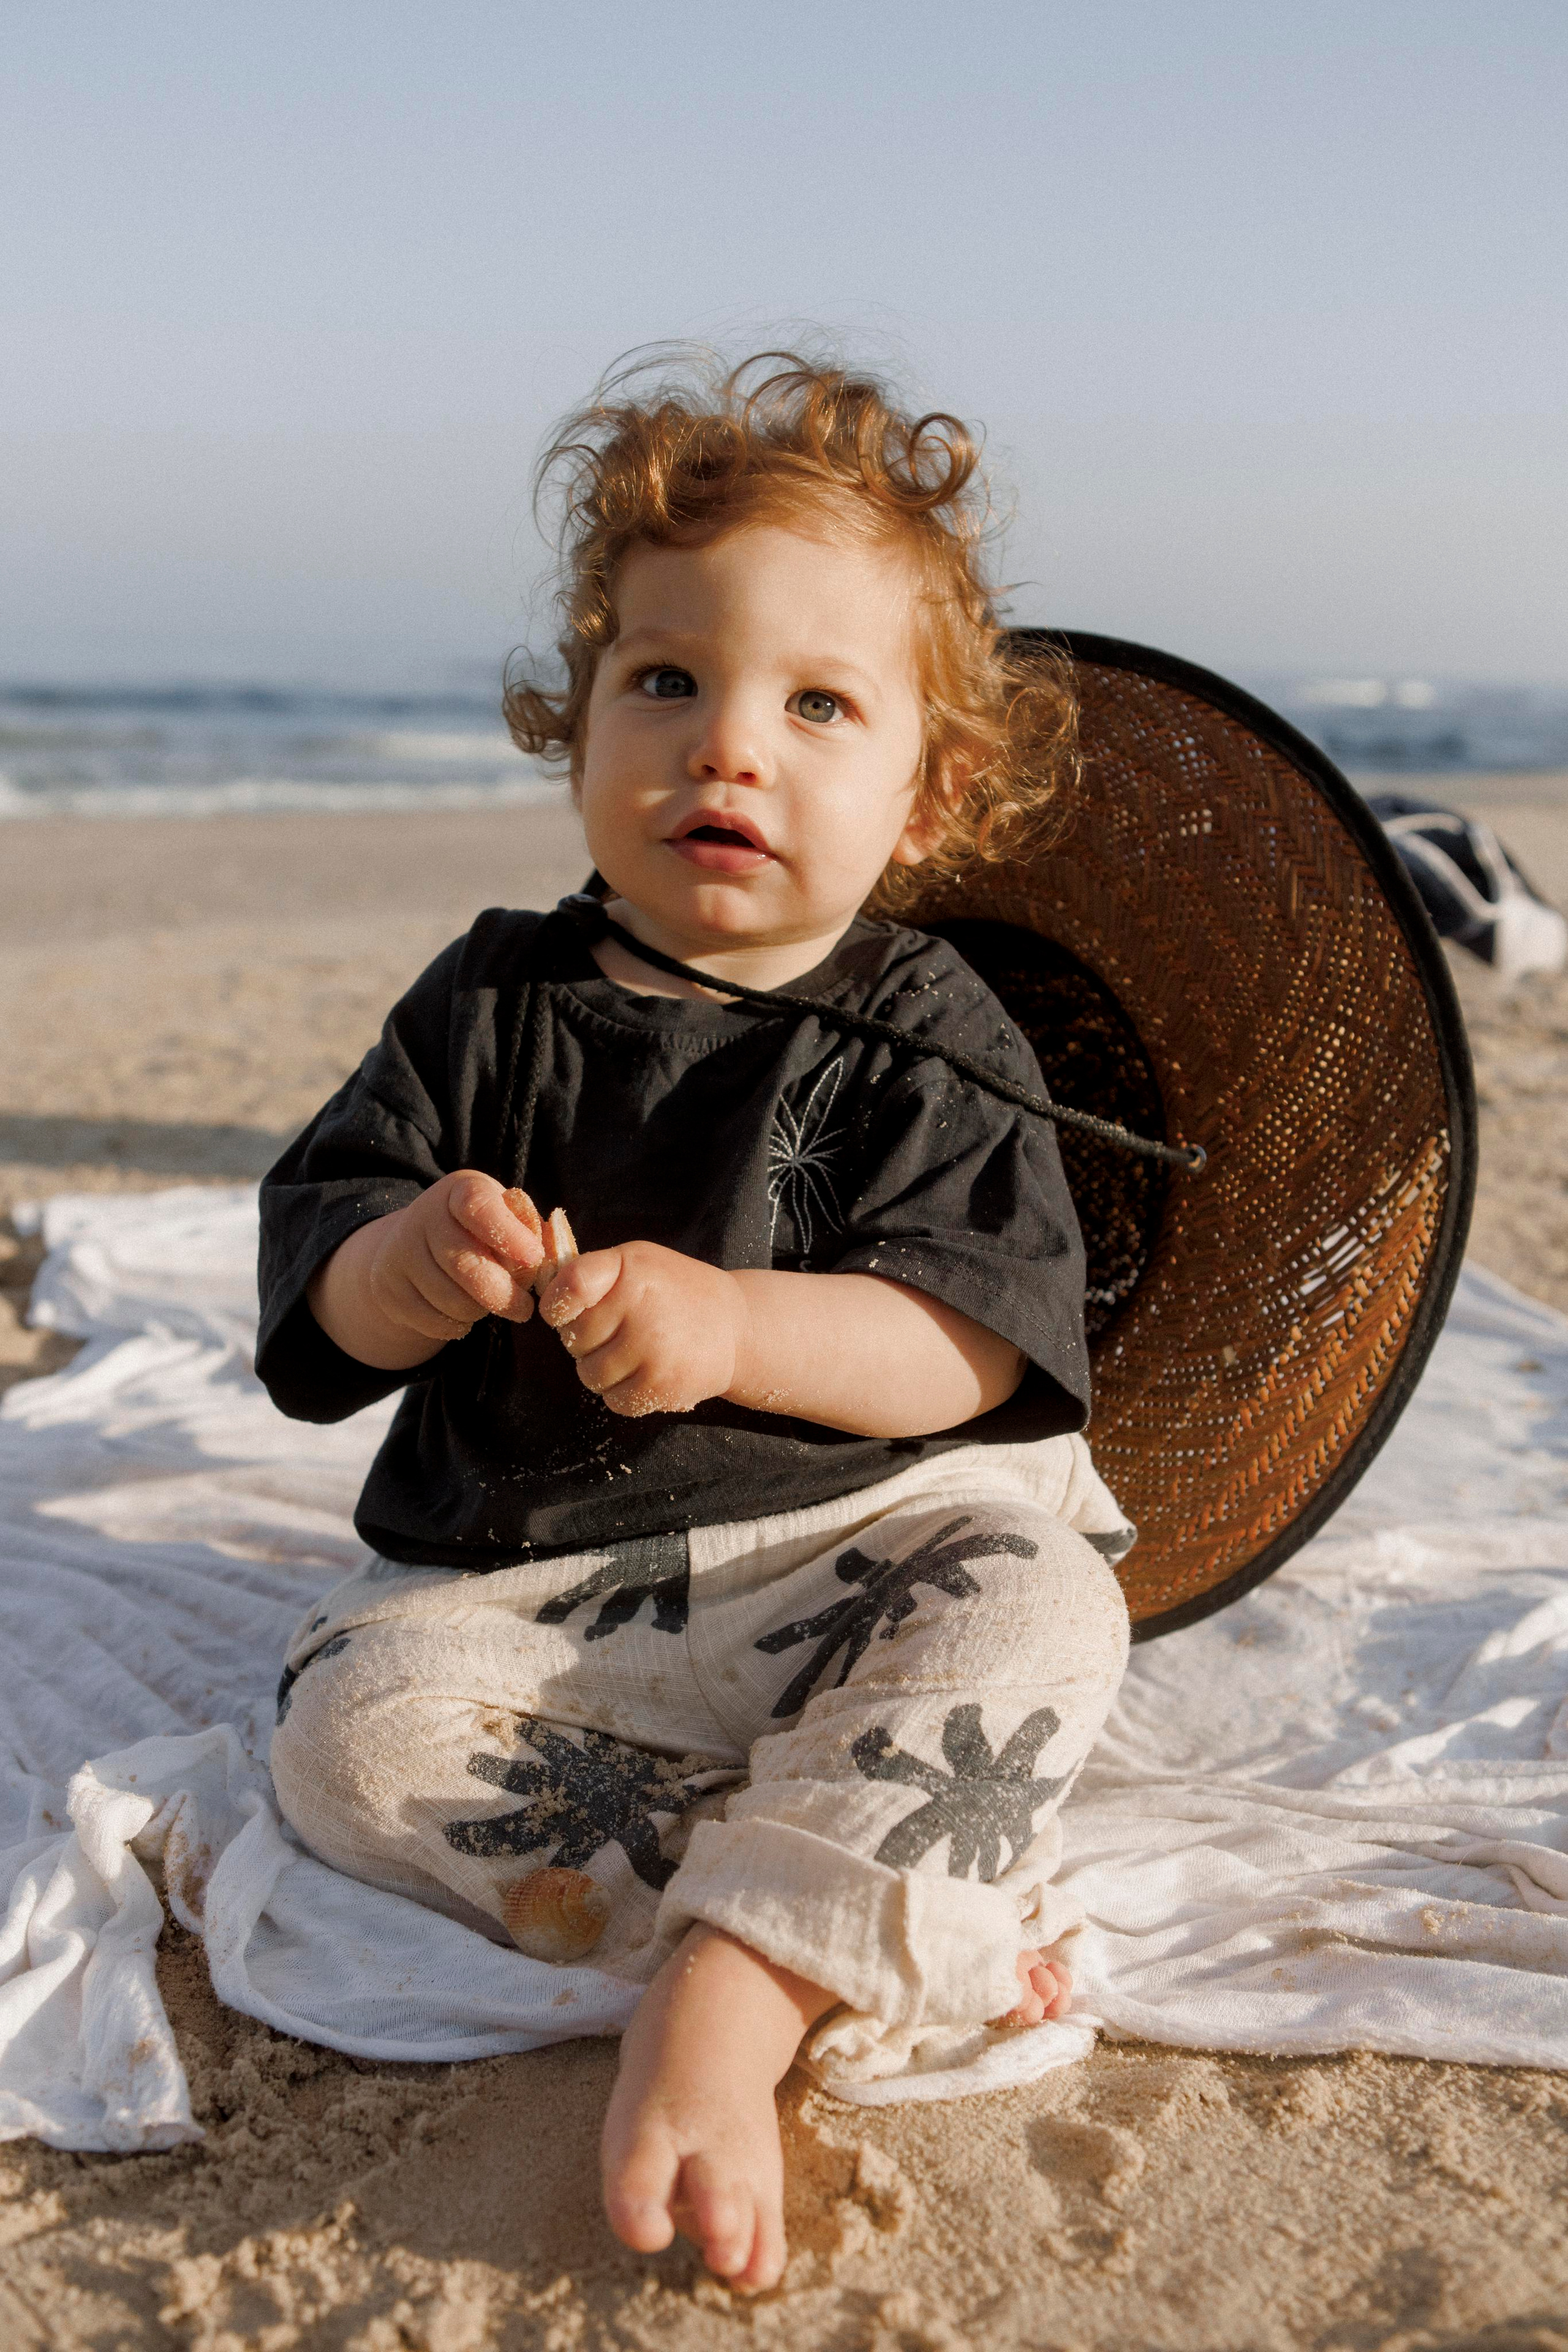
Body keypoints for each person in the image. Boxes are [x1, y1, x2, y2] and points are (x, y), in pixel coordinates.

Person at [257, 351, 1133, 2292]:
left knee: (1046, 1603)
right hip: (553, 1613)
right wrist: (400, 1265)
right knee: (340, 1734)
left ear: (928, 795)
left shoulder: (926, 1027)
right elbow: (320, 1268)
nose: (728, 746)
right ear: (574, 731)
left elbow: (971, 1351)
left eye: (819, 705)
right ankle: (847, 1885)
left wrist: (740, 1328)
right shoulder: (485, 1007)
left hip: (858, 1547)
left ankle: (726, 1988)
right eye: (668, 681)